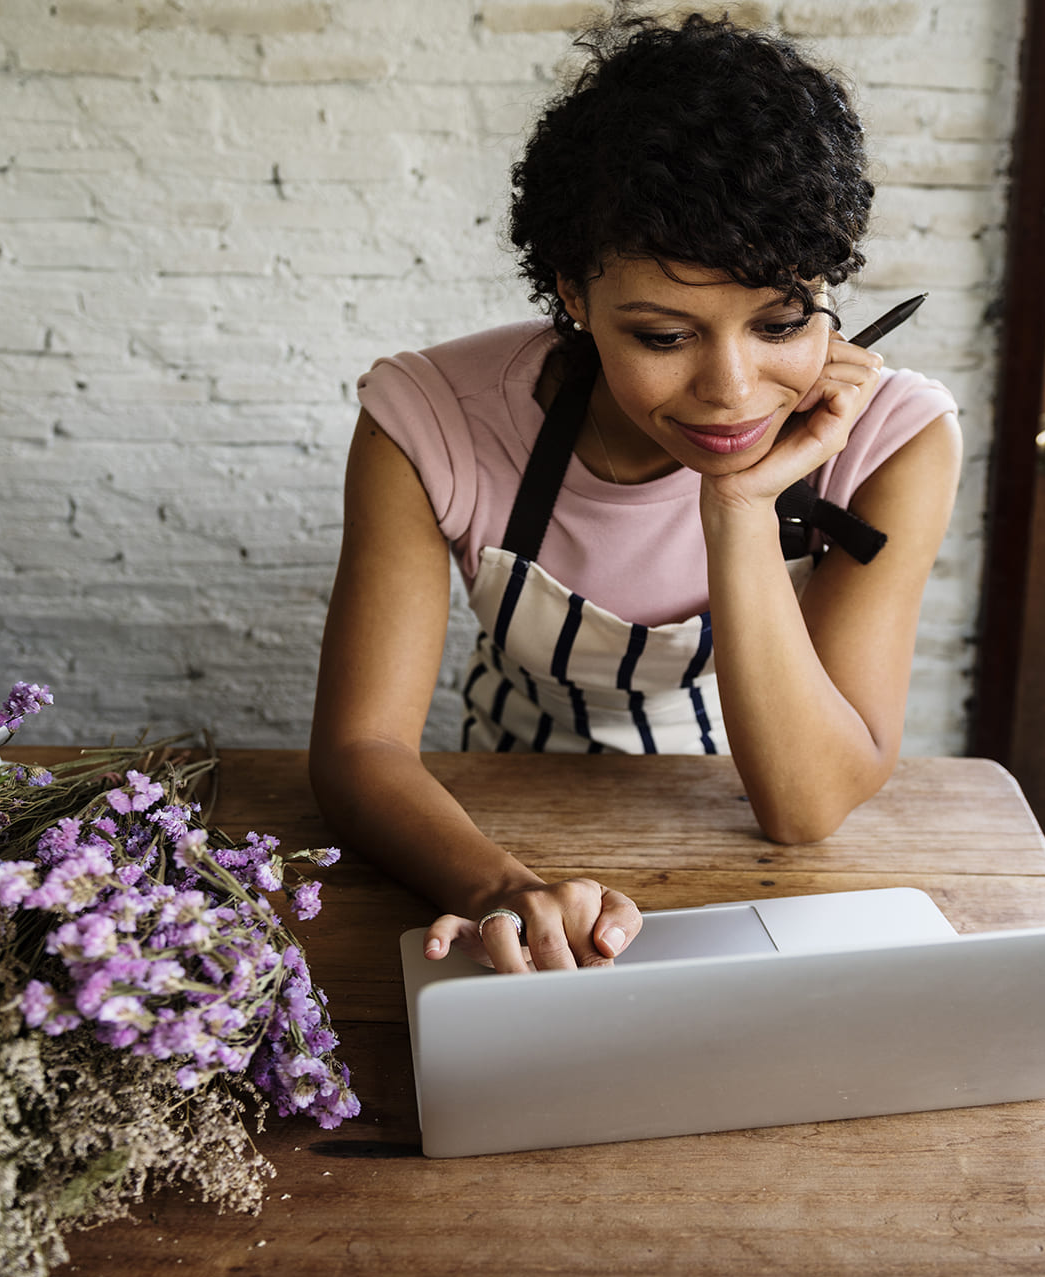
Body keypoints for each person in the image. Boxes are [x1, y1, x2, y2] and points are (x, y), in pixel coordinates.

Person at [308, 14, 962, 976]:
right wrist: (502, 889)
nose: (732, 390)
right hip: (484, 823)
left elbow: (804, 808)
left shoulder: (895, 441)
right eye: (664, 335)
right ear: (573, 294)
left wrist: (738, 509)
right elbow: (360, 751)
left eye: (783, 322)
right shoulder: (430, 421)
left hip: (741, 842)